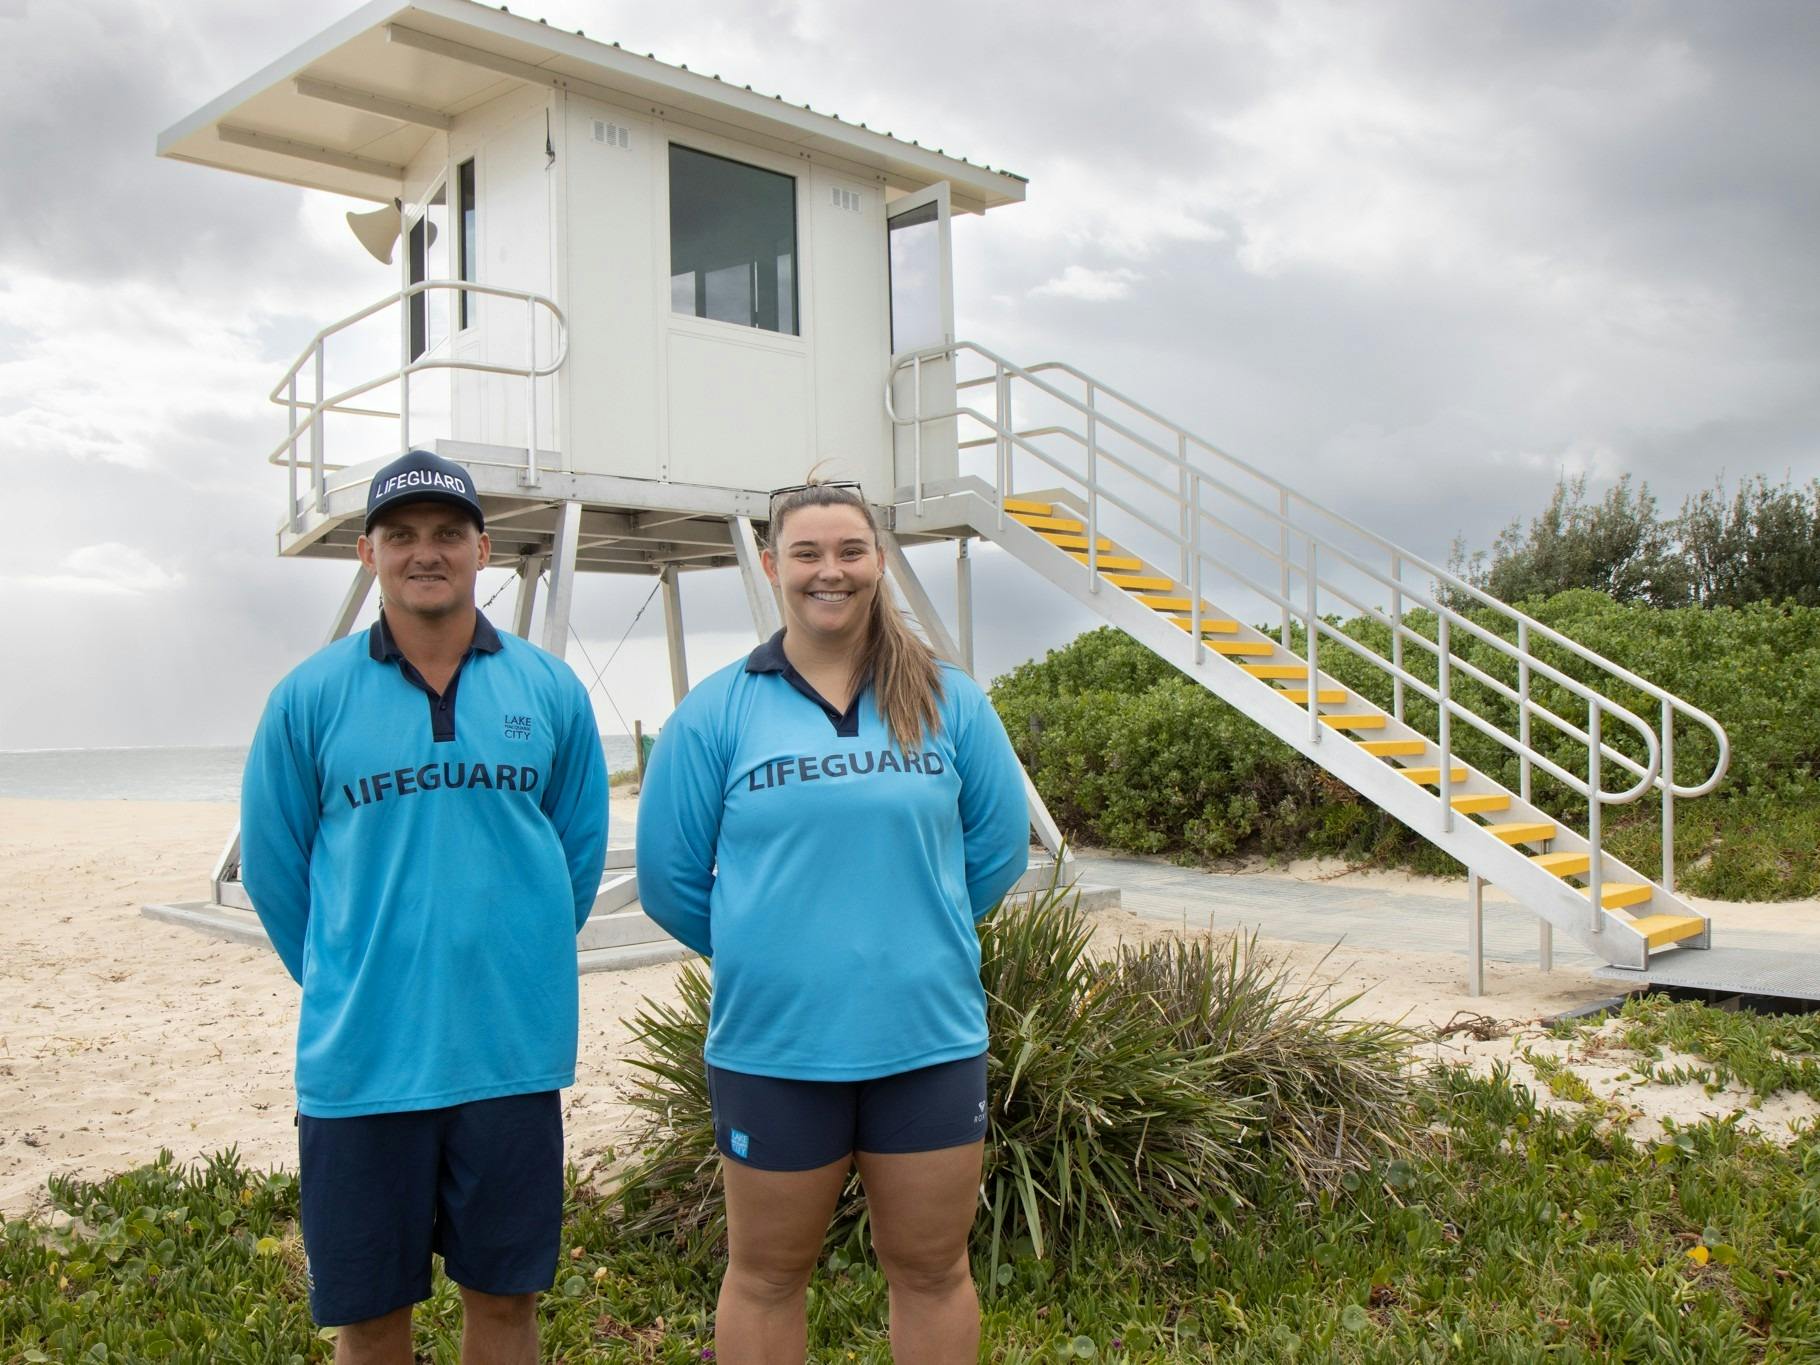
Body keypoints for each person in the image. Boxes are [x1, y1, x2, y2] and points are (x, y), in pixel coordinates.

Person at [637, 479, 1030, 1363]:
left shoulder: (949, 700)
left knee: (932, 1269)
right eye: (807, 553)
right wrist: (776, 947)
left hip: (927, 1042)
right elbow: (668, 880)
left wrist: (908, 935)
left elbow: (997, 849)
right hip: (775, 1048)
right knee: (767, 1275)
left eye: (850, 551)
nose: (831, 571)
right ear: (773, 566)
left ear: (878, 563)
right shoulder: (716, 712)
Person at [240, 449, 609, 1364]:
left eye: (448, 533)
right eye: (400, 535)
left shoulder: (549, 689)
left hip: (511, 1059)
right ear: (368, 553)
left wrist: (507, 955)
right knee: (368, 1322)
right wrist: (347, 973)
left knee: (506, 1305)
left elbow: (577, 854)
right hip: (362, 1064)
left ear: (484, 548)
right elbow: (276, 871)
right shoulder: (308, 698)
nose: (425, 552)